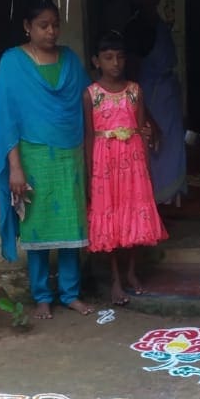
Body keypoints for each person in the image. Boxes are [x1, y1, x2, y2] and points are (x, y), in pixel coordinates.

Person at [0, 0, 93, 318]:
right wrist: (16, 168)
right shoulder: (12, 62)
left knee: (70, 227)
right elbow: (7, 119)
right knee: (36, 229)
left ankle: (70, 293)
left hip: (69, 155)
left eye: (55, 24)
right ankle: (41, 296)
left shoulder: (70, 60)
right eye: (43, 25)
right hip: (32, 157)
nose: (51, 32)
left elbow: (89, 105)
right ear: (27, 27)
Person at [84, 31, 168, 304]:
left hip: (132, 163)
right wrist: (89, 174)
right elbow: (88, 136)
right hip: (104, 164)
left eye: (120, 57)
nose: (115, 63)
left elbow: (143, 130)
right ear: (97, 61)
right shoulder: (91, 94)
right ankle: (115, 279)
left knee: (134, 216)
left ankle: (132, 272)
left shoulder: (135, 91)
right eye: (108, 58)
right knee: (110, 219)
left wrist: (146, 168)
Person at [126, 0, 188, 207]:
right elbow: (131, 77)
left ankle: (168, 203)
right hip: (150, 99)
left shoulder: (157, 23)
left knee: (170, 149)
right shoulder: (136, 28)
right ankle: (154, 205)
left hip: (166, 96)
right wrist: (147, 115)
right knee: (154, 148)